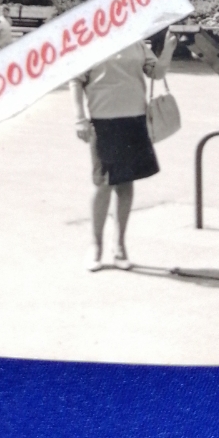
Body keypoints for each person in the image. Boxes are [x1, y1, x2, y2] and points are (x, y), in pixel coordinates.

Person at [72, 29, 177, 265]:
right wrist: (79, 118)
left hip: (134, 119)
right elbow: (76, 81)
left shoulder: (136, 42)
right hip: (103, 121)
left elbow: (156, 73)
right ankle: (95, 246)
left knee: (126, 183)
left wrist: (168, 49)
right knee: (103, 184)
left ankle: (119, 245)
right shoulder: (90, 42)